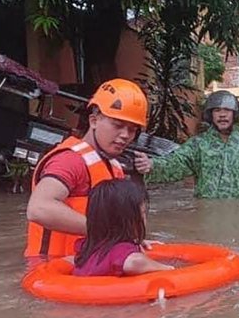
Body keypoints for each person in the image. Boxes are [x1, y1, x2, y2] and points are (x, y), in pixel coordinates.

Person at [25, 79, 153, 258]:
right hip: (51, 270)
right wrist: (107, 232)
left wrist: (128, 240)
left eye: (132, 130)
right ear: (94, 121)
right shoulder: (70, 160)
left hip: (86, 267)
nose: (125, 135)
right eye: (117, 125)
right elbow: (38, 209)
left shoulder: (113, 166)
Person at [146, 90, 239, 200]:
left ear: (234, 114)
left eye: (227, 110)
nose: (222, 115)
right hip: (206, 216)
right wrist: (151, 165)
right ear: (211, 114)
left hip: (237, 217)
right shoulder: (198, 145)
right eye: (217, 110)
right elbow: (175, 164)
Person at [73, 178, 173, 276]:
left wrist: (136, 242)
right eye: (143, 213)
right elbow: (135, 263)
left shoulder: (86, 247)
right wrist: (166, 268)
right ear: (127, 220)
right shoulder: (121, 251)